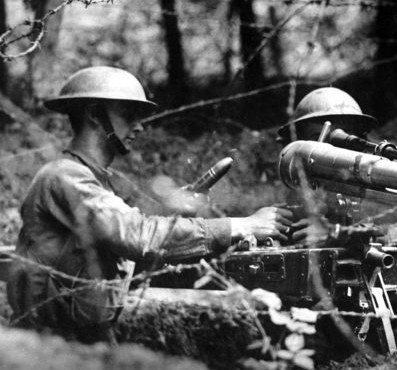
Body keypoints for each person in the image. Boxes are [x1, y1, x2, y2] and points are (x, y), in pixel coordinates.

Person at [7, 66, 293, 344]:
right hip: (48, 343)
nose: (140, 126)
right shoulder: (65, 176)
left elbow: (125, 245)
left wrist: (173, 216)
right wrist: (241, 226)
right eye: (129, 115)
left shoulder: (91, 178)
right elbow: (137, 237)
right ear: (95, 114)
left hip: (80, 337)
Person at [277, 87, 397, 345]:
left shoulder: (382, 178)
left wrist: (338, 234)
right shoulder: (302, 190)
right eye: (316, 138)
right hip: (343, 311)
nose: (325, 148)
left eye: (339, 137)